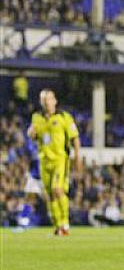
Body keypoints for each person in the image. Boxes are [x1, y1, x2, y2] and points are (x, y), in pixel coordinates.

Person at [27, 89, 81, 236]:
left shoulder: (64, 117)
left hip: (60, 160)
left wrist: (77, 157)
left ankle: (65, 223)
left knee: (58, 189)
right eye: (44, 99)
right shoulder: (37, 117)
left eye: (49, 99)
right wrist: (31, 134)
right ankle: (58, 226)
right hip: (44, 160)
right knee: (49, 194)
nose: (47, 102)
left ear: (55, 101)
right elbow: (32, 134)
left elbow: (75, 137)